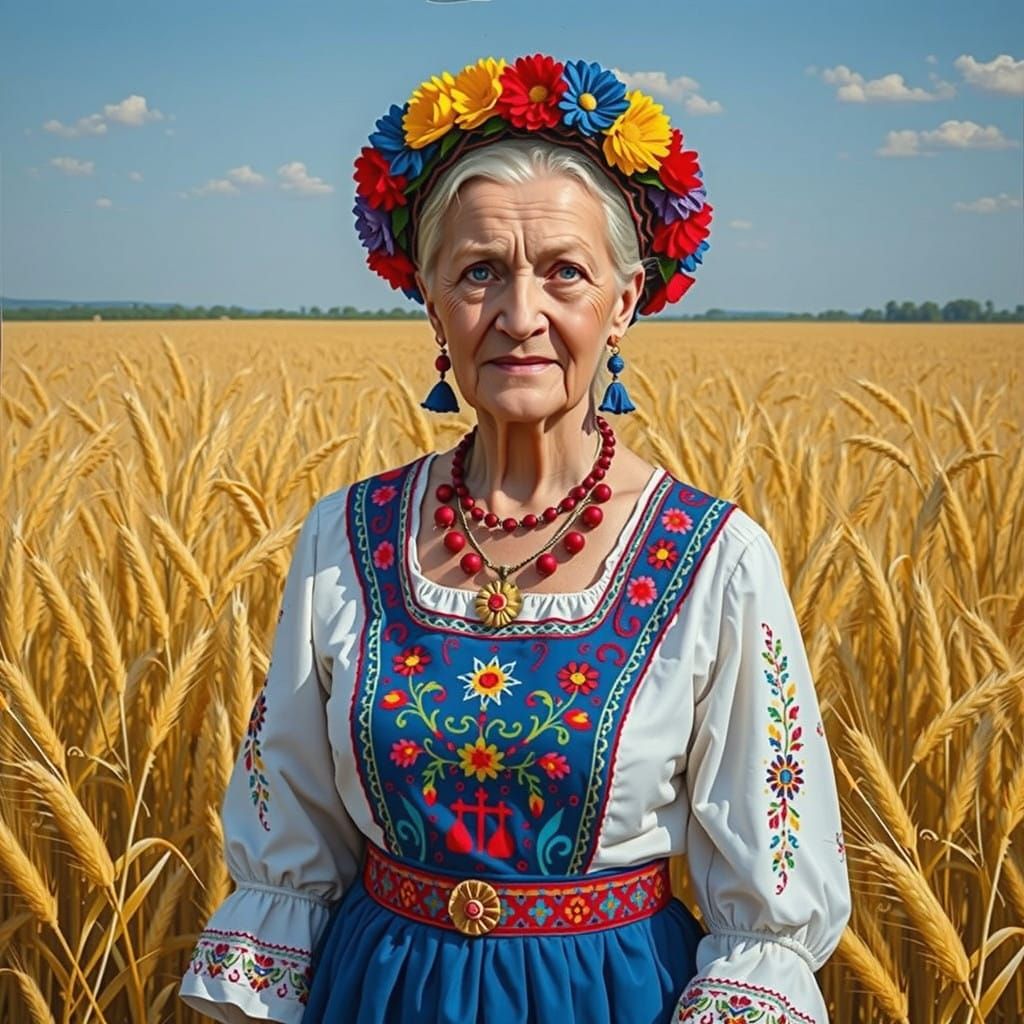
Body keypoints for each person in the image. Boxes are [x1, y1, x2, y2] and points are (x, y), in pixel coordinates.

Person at [178, 51, 851, 1024]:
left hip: (610, 998)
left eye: (564, 273)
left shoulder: (714, 560)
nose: (519, 314)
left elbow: (767, 901)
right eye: (480, 271)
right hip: (378, 993)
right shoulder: (345, 540)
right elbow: (294, 834)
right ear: (433, 303)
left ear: (623, 301)